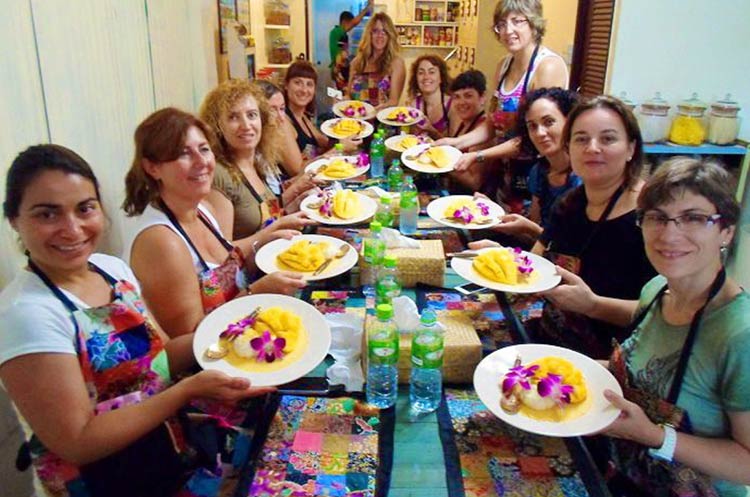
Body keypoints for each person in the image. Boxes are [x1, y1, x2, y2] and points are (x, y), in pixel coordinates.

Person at [0, 144, 273, 497]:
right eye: (47, 214)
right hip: (103, 481)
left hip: (164, 453)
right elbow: (78, 441)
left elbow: (158, 361)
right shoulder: (26, 313)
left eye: (85, 208)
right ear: (14, 219)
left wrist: (239, 322)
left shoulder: (111, 270)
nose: (72, 228)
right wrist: (186, 390)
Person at [559, 158, 750, 496]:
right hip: (624, 477)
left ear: (727, 230)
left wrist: (656, 437)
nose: (669, 234)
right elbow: (641, 364)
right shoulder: (658, 289)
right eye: (657, 217)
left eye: (693, 218)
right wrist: (561, 370)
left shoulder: (740, 335)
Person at [471, 95, 655, 358]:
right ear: (568, 147)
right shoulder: (570, 203)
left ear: (631, 148)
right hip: (552, 339)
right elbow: (533, 265)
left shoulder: (653, 216)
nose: (592, 148)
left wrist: (594, 306)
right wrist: (501, 256)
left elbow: (665, 316)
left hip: (605, 363)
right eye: (581, 139)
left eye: (608, 138)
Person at [122, 107, 306, 338]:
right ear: (152, 168)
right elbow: (192, 340)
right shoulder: (161, 241)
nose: (202, 162)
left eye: (204, 149)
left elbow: (227, 274)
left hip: (243, 334)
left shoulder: (202, 209)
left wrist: (267, 241)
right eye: (184, 154)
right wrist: (256, 291)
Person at [438, 0, 568, 207]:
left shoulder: (547, 66)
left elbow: (531, 138)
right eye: (502, 24)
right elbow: (491, 122)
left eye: (517, 21)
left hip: (536, 173)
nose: (508, 31)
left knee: (527, 231)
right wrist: (455, 143)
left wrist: (478, 155)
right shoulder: (504, 65)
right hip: (506, 172)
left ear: (534, 24)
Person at [199, 80, 318, 240]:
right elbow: (223, 256)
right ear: (218, 126)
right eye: (233, 117)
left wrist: (296, 202)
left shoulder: (255, 162)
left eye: (251, 115)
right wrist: (272, 232)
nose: (246, 125)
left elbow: (265, 218)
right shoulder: (219, 174)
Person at [488, 87, 582, 239]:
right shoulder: (539, 171)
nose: (540, 133)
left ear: (569, 122)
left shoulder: (583, 179)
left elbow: (571, 252)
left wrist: (531, 229)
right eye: (532, 126)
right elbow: (533, 237)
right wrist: (493, 212)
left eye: (549, 122)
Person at [283, 60, 362, 162]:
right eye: (298, 83)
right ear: (286, 85)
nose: (304, 90)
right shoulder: (284, 122)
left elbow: (325, 143)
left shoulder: (303, 116)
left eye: (309, 84)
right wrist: (340, 148)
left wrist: (342, 114)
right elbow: (299, 170)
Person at [348, 12, 406, 110]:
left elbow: (393, 101)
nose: (380, 35)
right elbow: (349, 96)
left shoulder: (397, 63)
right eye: (375, 31)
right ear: (369, 34)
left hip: (382, 123)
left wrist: (372, 111)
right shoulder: (357, 62)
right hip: (358, 123)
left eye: (384, 32)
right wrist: (341, 100)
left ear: (389, 35)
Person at [446, 70, 492, 192]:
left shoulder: (483, 129)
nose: (461, 102)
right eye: (457, 97)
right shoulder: (464, 121)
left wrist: (442, 164)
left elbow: (475, 182)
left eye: (468, 96)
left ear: (482, 98)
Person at [253, 79, 304, 176]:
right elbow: (297, 170)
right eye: (272, 110)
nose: (281, 118)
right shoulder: (249, 150)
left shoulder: (269, 140)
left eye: (282, 108)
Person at [405, 54, 452, 138]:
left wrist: (431, 130)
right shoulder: (414, 105)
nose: (426, 77)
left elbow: (455, 147)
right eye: (421, 73)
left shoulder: (452, 105)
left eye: (432, 72)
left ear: (441, 77)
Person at [329, 1, 373, 89]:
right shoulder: (337, 32)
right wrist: (367, 8)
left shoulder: (342, 34)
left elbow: (344, 53)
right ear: (345, 22)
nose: (352, 27)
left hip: (338, 71)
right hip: (338, 71)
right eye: (350, 24)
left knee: (341, 94)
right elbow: (355, 22)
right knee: (341, 95)